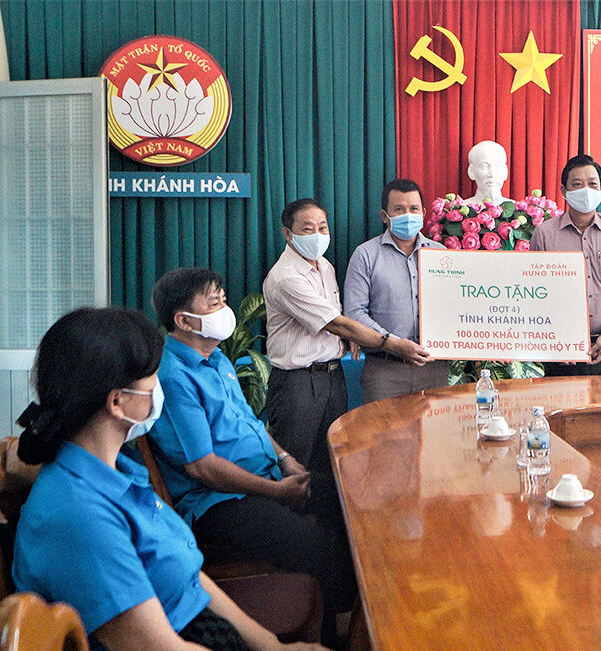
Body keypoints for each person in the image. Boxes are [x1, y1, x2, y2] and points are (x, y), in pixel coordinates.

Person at [12, 306, 325, 651]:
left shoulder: (120, 472)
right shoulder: (80, 516)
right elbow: (159, 646)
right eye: (153, 377)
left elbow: (190, 579)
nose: (160, 386)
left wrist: (272, 646)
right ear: (117, 402)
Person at [149, 268, 355, 647]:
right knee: (316, 548)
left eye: (224, 300)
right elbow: (204, 467)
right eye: (213, 304)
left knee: (348, 502)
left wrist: (286, 459)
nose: (224, 309)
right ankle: (331, 640)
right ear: (183, 321)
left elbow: (251, 425)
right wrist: (276, 492)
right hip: (218, 503)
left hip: (265, 478)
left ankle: (354, 619)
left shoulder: (217, 359)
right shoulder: (174, 376)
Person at [263, 198, 428, 472]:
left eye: (322, 227)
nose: (317, 235)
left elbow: (338, 318)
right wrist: (391, 344)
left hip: (332, 377)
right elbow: (337, 324)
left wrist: (352, 334)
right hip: (298, 384)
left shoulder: (324, 266)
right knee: (296, 468)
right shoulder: (286, 277)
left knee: (332, 465)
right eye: (307, 229)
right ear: (287, 234)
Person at [530, 154, 601, 375]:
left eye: (592, 184)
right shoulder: (544, 233)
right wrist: (558, 340)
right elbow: (536, 291)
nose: (585, 190)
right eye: (577, 184)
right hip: (561, 349)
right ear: (564, 191)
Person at [343, 179, 447, 403]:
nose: (407, 215)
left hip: (434, 369)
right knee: (383, 427)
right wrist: (393, 343)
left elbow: (456, 307)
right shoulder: (365, 255)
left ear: (423, 213)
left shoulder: (441, 254)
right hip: (384, 371)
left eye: (414, 209)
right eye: (399, 209)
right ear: (384, 216)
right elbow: (354, 313)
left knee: (434, 426)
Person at [467, 140, 509, 204]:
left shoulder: (518, 208)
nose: (492, 174)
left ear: (505, 171)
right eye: (484, 166)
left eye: (498, 166)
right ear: (471, 171)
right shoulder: (460, 208)